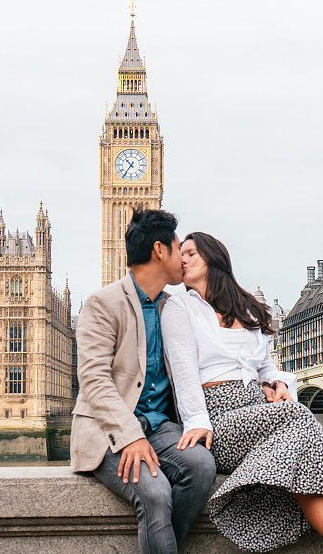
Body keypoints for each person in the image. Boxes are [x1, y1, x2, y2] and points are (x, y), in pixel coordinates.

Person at [161, 232, 323, 554]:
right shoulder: (179, 308)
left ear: (214, 259)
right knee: (298, 414)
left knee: (305, 475)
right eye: (180, 253)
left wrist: (278, 384)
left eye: (191, 253)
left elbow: (265, 368)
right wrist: (197, 420)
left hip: (258, 410)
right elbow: (183, 372)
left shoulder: (248, 310)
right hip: (217, 418)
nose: (181, 259)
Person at [71, 210, 216, 554]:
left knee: (200, 467)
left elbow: (214, 357)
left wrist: (269, 380)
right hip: (108, 429)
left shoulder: (172, 307)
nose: (183, 255)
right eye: (178, 245)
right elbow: (93, 380)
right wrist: (130, 436)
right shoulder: (102, 303)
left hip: (160, 426)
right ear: (159, 250)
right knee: (154, 493)